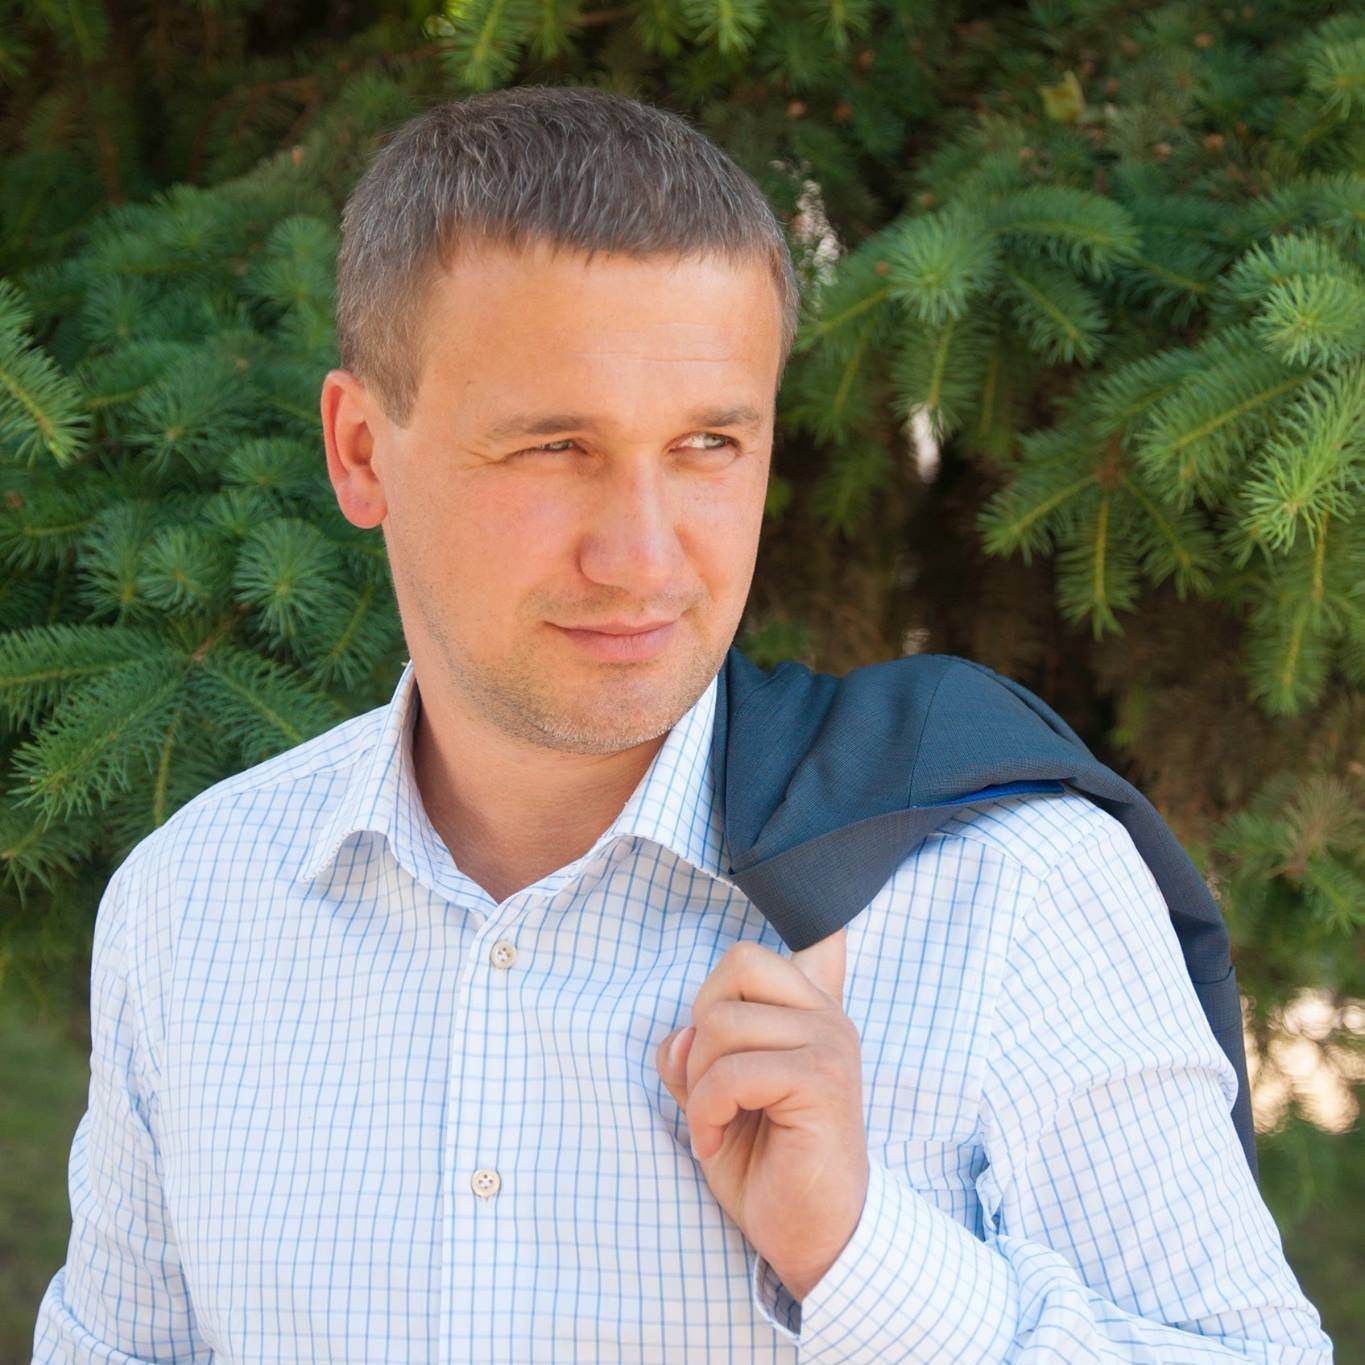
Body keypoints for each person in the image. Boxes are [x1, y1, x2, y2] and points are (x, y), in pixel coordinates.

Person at [33, 85, 1333, 1363]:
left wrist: (861, 1256)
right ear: (361, 450)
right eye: (555, 448)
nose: (643, 558)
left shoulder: (1008, 887)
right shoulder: (191, 905)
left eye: (708, 444)